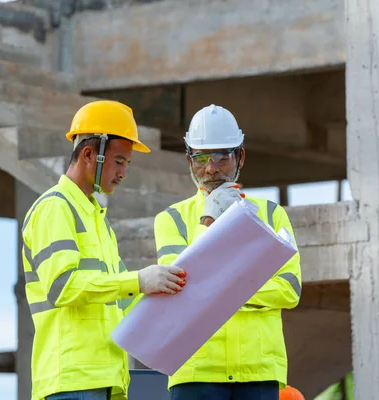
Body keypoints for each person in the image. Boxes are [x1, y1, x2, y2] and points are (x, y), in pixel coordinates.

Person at [21, 100, 187, 400]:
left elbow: (119, 302)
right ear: (89, 154)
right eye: (119, 161)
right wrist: (139, 281)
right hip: (72, 381)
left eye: (127, 164)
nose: (123, 173)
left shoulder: (96, 218)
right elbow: (62, 286)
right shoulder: (55, 208)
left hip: (106, 380)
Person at [153, 104, 302, 399]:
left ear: (240, 157)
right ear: (188, 160)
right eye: (201, 158)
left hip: (257, 372)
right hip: (195, 370)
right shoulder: (171, 219)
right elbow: (183, 287)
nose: (211, 168)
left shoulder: (272, 216)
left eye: (222, 156)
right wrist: (208, 219)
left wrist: (217, 290)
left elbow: (288, 290)